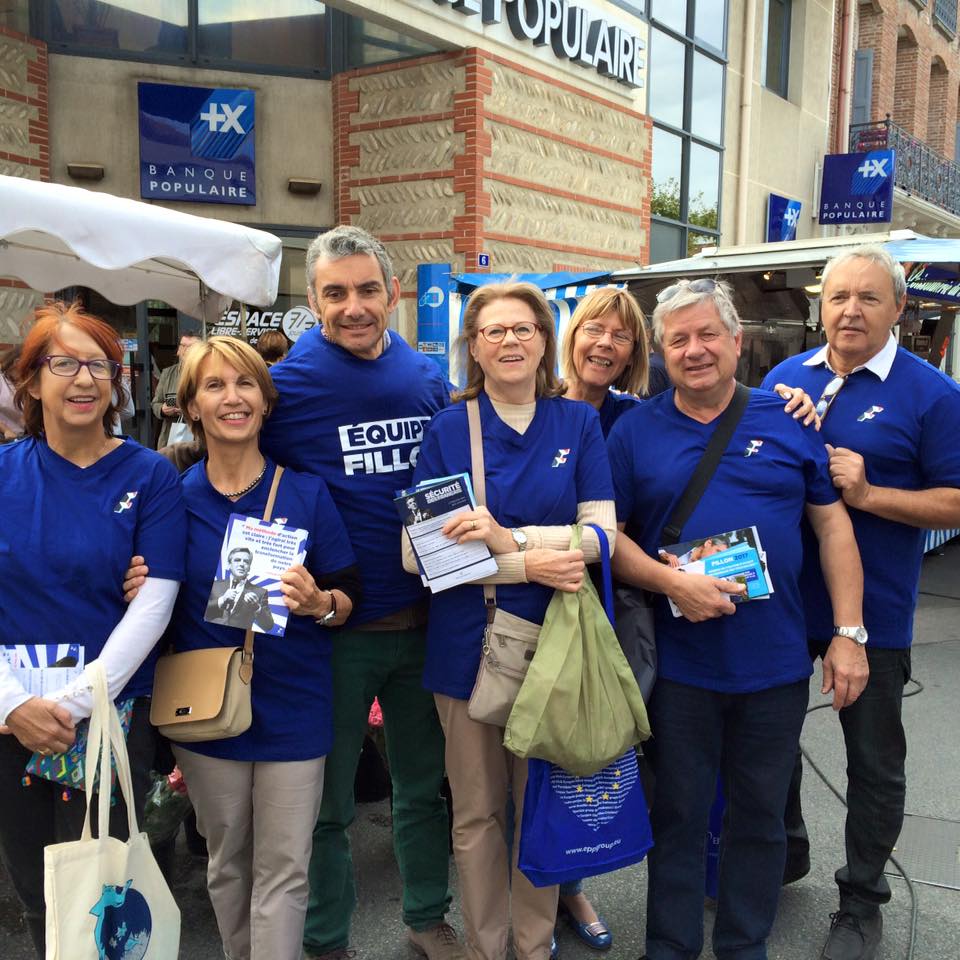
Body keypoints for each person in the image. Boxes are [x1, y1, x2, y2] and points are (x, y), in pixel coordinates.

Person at [607, 278, 867, 960]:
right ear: (662, 351)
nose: (695, 351)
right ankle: (669, 948)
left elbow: (833, 529)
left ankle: (744, 947)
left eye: (707, 335)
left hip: (775, 667)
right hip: (681, 669)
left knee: (759, 821)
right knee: (680, 817)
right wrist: (671, 583)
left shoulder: (790, 420)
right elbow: (610, 537)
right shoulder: (635, 430)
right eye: (679, 339)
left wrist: (848, 633)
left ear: (736, 342)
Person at [259, 225, 461, 960]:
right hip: (334, 633)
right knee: (328, 807)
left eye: (367, 289)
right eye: (336, 293)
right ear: (313, 301)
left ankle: (427, 918)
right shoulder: (286, 385)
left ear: (392, 294)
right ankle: (325, 940)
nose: (353, 306)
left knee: (422, 790)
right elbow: (239, 476)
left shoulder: (420, 369)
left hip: (429, 622)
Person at [405, 281, 617, 960]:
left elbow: (602, 539)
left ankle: (533, 945)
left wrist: (507, 541)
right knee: (476, 815)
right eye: (493, 332)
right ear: (473, 346)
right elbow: (420, 557)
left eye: (523, 329)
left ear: (544, 338)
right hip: (468, 648)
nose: (509, 343)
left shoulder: (578, 423)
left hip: (557, 650)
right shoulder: (449, 429)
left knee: (540, 811)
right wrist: (536, 564)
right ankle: (487, 948)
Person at [763, 246, 960, 960]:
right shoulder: (785, 379)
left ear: (899, 309)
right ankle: (784, 853)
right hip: (783, 604)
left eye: (868, 298)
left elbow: (956, 499)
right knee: (769, 743)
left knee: (873, 762)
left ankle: (861, 899)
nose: (850, 310)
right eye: (839, 296)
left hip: (872, 614)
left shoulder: (932, 394)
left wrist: (871, 493)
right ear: (821, 305)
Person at [162, 335, 360, 960]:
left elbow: (347, 596)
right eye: (214, 386)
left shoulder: (304, 492)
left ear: (265, 401)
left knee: (284, 867)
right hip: (206, 706)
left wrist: (318, 602)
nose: (232, 397)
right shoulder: (169, 494)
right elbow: (144, 593)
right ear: (191, 406)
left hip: (295, 703)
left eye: (245, 383)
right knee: (226, 863)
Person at [0, 301, 186, 958]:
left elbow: (156, 600)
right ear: (30, 381)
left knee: (105, 891)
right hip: (11, 720)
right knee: (34, 885)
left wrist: (78, 701)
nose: (83, 380)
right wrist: (15, 705)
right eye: (64, 364)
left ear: (119, 380)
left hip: (111, 717)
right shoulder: (4, 473)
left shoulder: (150, 475)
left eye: (100, 366)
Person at [205, 545, 275, 631]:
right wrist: (222, 600)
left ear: (249, 567)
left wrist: (257, 607)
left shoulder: (260, 592)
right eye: (237, 560)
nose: (242, 564)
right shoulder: (214, 585)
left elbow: (268, 626)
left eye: (246, 561)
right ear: (229, 565)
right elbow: (200, 611)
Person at [152, 332, 199, 448]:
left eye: (191, 347)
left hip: (198, 436)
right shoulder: (168, 373)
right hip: (170, 436)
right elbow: (155, 403)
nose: (185, 350)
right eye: (183, 346)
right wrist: (162, 409)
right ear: (178, 350)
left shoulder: (206, 374)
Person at [0, 344, 24, 440]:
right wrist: (6, 430)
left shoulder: (26, 383)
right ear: (17, 363)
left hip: (22, 435)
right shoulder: (1, 380)